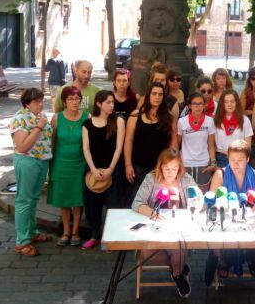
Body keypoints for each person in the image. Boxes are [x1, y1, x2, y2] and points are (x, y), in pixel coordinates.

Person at [131, 148, 198, 297]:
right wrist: (153, 214)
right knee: (147, 253)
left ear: (179, 167)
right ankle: (178, 266)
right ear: (160, 166)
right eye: (166, 168)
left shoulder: (185, 179)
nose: (170, 172)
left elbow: (199, 200)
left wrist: (194, 208)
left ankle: (177, 273)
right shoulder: (151, 178)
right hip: (155, 228)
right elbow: (137, 203)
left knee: (180, 246)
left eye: (174, 168)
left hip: (178, 229)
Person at [205, 140, 255, 285]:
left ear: (248, 159)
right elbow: (211, 204)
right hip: (227, 223)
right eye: (232, 159)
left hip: (251, 224)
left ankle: (254, 259)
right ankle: (224, 261)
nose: (235, 164)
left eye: (240, 160)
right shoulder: (220, 175)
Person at [8, 88, 54, 257]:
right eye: (36, 102)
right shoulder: (20, 118)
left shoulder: (38, 117)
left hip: (42, 161)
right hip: (27, 161)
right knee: (24, 200)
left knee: (33, 199)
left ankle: (32, 232)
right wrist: (39, 127)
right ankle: (22, 241)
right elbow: (22, 146)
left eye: (42, 100)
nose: (40, 104)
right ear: (26, 103)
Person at [81, 90, 125, 250]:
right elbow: (86, 148)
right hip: (93, 169)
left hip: (113, 169)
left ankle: (111, 237)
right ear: (99, 103)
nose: (112, 105)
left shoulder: (118, 121)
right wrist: (93, 169)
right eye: (108, 102)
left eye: (113, 102)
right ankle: (94, 235)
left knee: (114, 204)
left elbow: (119, 147)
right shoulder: (88, 122)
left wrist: (110, 168)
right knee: (92, 204)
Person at [47, 86, 89, 247]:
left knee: (78, 199)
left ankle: (76, 231)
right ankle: (65, 231)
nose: (74, 101)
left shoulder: (87, 116)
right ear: (64, 101)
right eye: (70, 99)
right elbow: (52, 142)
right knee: (64, 199)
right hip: (61, 163)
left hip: (80, 163)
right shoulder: (56, 118)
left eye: (77, 98)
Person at [124, 82, 176, 198]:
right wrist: (128, 165)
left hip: (160, 168)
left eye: (160, 94)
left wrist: (172, 168)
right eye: (154, 93)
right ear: (148, 95)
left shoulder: (169, 117)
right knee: (136, 203)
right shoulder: (135, 116)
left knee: (159, 203)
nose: (157, 97)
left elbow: (173, 144)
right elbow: (128, 141)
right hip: (138, 168)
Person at [173, 92, 216, 185]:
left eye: (200, 103)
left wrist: (213, 162)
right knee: (186, 194)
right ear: (189, 106)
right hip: (186, 163)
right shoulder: (182, 121)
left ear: (204, 105)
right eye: (195, 104)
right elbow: (177, 144)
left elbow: (211, 145)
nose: (198, 106)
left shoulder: (210, 121)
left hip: (204, 164)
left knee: (203, 193)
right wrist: (177, 162)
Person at [212, 90, 253, 168]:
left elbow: (248, 146)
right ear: (222, 104)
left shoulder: (245, 120)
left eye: (232, 101)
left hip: (239, 159)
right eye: (226, 102)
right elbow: (212, 144)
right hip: (220, 159)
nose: (229, 104)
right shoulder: (215, 120)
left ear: (237, 103)